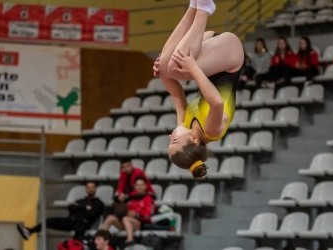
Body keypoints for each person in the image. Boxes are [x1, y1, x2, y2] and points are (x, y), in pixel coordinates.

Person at [152, 0, 244, 178]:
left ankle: (194, 7)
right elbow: (216, 103)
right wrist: (193, 67)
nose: (170, 136)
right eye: (175, 141)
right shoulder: (211, 131)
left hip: (212, 53)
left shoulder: (184, 126)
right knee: (176, 67)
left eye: (169, 141)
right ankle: (203, 10)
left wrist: (160, 73)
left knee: (166, 66)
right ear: (194, 140)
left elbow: (178, 95)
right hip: (230, 57)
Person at [17, 181, 104, 241]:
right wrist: (84, 207)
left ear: (96, 189)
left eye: (93, 187)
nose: (90, 189)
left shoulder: (99, 203)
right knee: (49, 221)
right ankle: (29, 231)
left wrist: (80, 208)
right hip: (71, 221)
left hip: (82, 225)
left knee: (76, 241)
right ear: (85, 189)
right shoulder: (81, 201)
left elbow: (91, 214)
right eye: (88, 187)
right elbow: (70, 207)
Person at [101, 177, 154, 247]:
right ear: (134, 187)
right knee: (110, 218)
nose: (140, 187)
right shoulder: (131, 198)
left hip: (139, 224)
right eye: (137, 185)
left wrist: (137, 215)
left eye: (142, 185)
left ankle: (130, 240)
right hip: (125, 222)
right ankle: (100, 238)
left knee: (126, 219)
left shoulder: (148, 199)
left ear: (145, 187)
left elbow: (148, 216)